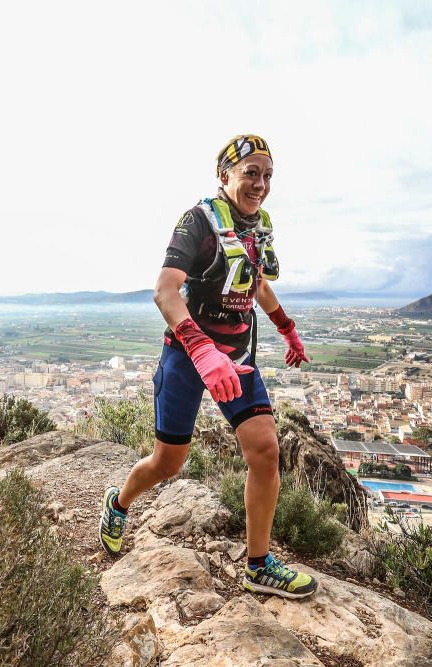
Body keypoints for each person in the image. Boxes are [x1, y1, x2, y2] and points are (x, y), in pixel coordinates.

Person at [99, 135, 316, 599]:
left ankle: (257, 565)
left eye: (268, 175)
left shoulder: (257, 227)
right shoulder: (197, 221)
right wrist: (200, 349)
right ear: (225, 176)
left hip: (236, 356)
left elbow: (254, 285)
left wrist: (287, 328)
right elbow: (165, 290)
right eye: (251, 173)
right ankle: (118, 504)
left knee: (265, 451)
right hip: (187, 355)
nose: (260, 184)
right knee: (167, 462)